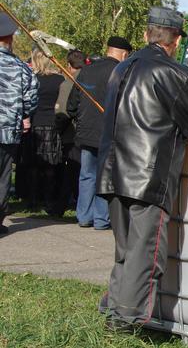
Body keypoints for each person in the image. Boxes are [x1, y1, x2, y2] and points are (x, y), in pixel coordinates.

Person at [96, 7, 188, 330]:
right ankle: (126, 320)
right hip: (147, 175)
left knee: (126, 249)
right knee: (144, 253)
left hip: (112, 170)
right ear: (177, 40)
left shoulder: (121, 67)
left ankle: (115, 308)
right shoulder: (173, 73)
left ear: (146, 34)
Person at [68, 36, 132, 229]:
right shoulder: (121, 71)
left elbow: (72, 103)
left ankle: (84, 216)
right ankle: (101, 218)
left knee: (87, 175)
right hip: (109, 132)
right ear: (124, 54)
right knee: (106, 176)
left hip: (86, 131)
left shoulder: (87, 70)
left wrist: (79, 118)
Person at [0, 12, 38, 234]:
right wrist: (22, 113)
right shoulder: (21, 67)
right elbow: (31, 98)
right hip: (8, 131)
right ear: (10, 38)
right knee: (3, 177)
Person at [28, 49, 64, 213]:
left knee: (34, 166)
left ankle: (33, 200)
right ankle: (49, 200)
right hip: (52, 124)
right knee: (51, 165)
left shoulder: (32, 79)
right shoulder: (59, 80)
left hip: (35, 123)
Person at [54, 49, 86, 216]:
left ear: (69, 65)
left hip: (72, 133)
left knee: (72, 171)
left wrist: (58, 130)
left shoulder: (68, 84)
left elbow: (62, 112)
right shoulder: (91, 79)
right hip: (90, 132)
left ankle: (62, 205)